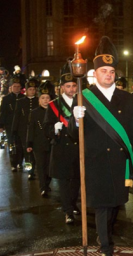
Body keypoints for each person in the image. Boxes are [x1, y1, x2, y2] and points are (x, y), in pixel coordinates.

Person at [69, 36, 133, 256]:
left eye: (111, 71)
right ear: (95, 73)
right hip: (95, 162)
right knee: (102, 205)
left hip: (119, 163)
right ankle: (106, 247)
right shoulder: (84, 98)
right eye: (104, 71)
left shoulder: (127, 98)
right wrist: (75, 121)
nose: (108, 75)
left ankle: (104, 235)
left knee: (115, 206)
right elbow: (75, 137)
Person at [43, 62, 80, 224]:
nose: (71, 89)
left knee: (77, 180)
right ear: (62, 87)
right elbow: (46, 130)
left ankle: (72, 203)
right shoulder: (53, 105)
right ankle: (68, 211)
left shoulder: (81, 102)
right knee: (65, 182)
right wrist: (55, 129)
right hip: (61, 149)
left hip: (78, 147)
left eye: (73, 86)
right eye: (68, 86)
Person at [27, 81, 55, 197]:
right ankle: (43, 187)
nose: (45, 100)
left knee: (50, 167)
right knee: (41, 166)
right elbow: (31, 128)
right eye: (42, 98)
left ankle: (47, 184)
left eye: (47, 98)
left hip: (52, 144)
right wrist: (29, 143)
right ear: (39, 99)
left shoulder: (54, 112)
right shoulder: (34, 113)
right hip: (38, 144)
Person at [12, 77, 40, 179]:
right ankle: (30, 171)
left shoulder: (38, 101)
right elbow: (17, 116)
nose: (32, 91)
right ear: (26, 90)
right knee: (27, 153)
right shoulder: (20, 101)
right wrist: (14, 130)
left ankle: (35, 168)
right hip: (23, 130)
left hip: (36, 130)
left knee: (35, 152)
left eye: (34, 89)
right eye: (30, 89)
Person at [0, 75, 25, 172]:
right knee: (12, 144)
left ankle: (20, 162)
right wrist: (1, 125)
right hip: (10, 125)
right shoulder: (6, 99)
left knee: (21, 144)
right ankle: (13, 163)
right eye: (15, 86)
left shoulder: (24, 98)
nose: (17, 88)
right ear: (11, 87)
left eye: (18, 86)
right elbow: (3, 112)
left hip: (21, 125)